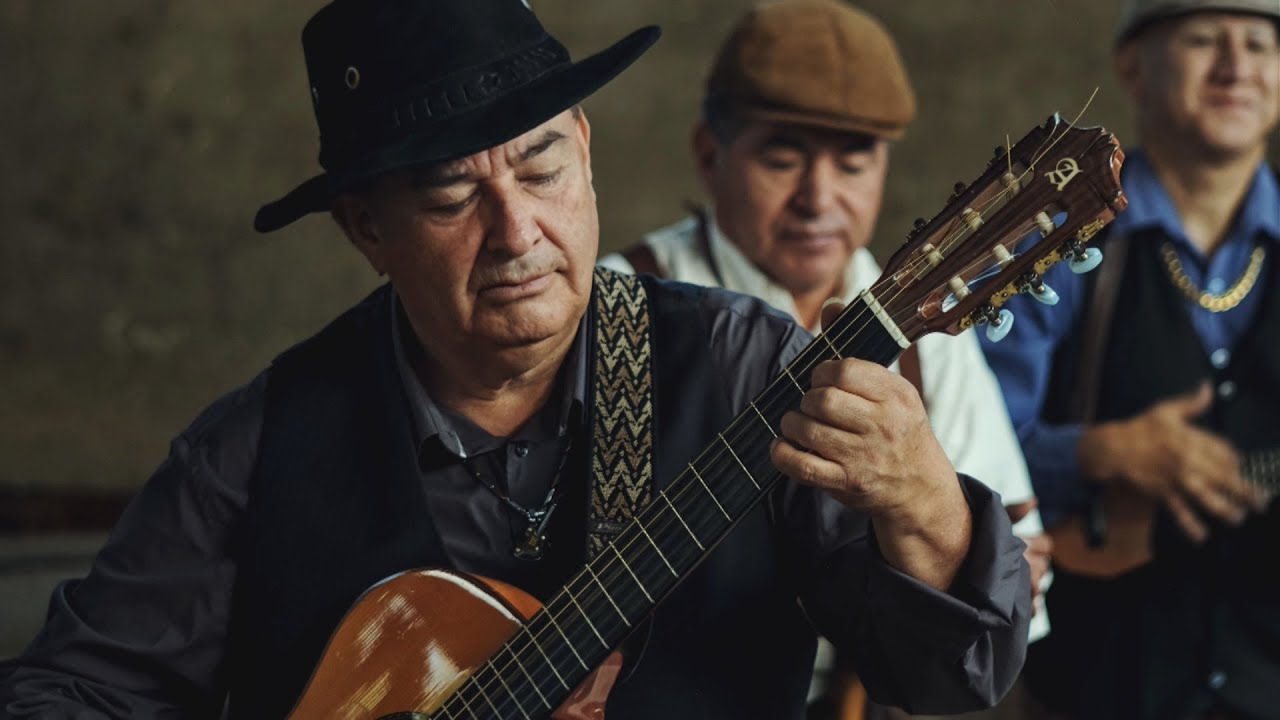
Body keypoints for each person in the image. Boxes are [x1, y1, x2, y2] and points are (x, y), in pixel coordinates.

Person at [0, 0, 1031, 718]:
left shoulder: (743, 371)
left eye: (538, 167)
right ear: (365, 226)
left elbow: (948, 677)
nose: (516, 231)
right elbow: (68, 693)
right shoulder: (258, 446)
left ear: (583, 150)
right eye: (452, 197)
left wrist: (926, 507)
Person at [597, 2, 1050, 717]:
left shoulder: (929, 328)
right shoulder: (621, 310)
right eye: (783, 157)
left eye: (853, 160)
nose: (819, 197)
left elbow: (1012, 583)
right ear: (711, 155)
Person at [978, 0, 1279, 718]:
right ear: (1132, 66)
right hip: (1093, 688)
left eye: (1262, 45)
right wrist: (1100, 453)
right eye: (1206, 40)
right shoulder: (1058, 245)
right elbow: (973, 457)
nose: (1237, 67)